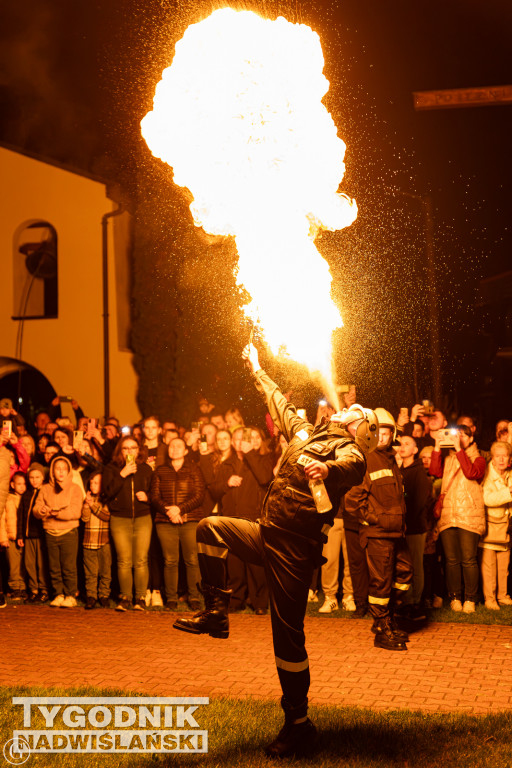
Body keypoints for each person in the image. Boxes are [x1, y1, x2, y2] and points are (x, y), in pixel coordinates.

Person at [174, 343, 376, 758]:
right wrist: (256, 368)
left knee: (287, 640)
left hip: (295, 550)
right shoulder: (305, 432)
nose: (342, 408)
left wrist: (327, 468)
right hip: (267, 533)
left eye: (352, 413)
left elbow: (354, 467)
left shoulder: (348, 449)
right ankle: (216, 613)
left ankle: (298, 724)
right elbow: (278, 400)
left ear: (358, 429)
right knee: (210, 528)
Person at [344, 408, 413, 651]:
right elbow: (352, 501)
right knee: (381, 584)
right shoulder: (365, 459)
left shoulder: (391, 459)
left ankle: (388, 618)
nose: (382, 437)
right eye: (378, 432)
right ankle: (382, 629)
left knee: (404, 574)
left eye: (387, 433)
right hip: (378, 534)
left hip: (397, 532)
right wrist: (375, 520)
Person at [430, 424, 486, 612]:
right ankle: (454, 597)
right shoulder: (448, 459)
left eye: (463, 435)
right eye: (456, 434)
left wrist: (459, 449)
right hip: (448, 514)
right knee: (451, 560)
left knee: (468, 559)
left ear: (471, 439)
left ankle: (470, 598)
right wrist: (437, 446)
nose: (458, 437)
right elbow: (434, 472)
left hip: (469, 515)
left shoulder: (479, 458)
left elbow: (472, 473)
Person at [150, 437, 206, 610]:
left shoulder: (193, 469)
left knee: (192, 560)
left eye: (179, 446)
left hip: (190, 520)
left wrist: (180, 509)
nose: (175, 449)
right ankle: (172, 598)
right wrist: (170, 511)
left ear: (186, 450)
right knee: (170, 561)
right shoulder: (160, 470)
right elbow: (154, 496)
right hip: (165, 522)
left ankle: (194, 598)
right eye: (172, 446)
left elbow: (199, 495)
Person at [102, 436, 153, 611]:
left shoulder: (146, 469)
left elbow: (155, 493)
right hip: (120, 518)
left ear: (139, 450)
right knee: (124, 560)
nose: (130, 451)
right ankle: (125, 597)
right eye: (125, 448)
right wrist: (122, 474)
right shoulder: (111, 468)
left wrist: (148, 498)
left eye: (133, 448)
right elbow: (106, 493)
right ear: (120, 451)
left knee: (140, 560)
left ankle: (140, 598)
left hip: (142, 518)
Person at [33, 456, 82, 607]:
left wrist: (55, 513)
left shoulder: (75, 488)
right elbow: (36, 508)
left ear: (68, 471)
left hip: (68, 532)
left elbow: (75, 512)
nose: (60, 471)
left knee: (68, 566)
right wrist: (41, 511)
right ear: (52, 471)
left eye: (64, 469)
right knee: (54, 566)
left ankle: (70, 595)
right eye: (57, 468)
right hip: (50, 532)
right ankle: (58, 593)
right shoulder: (45, 488)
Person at [397, 436, 433, 619]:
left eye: (407, 444)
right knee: (404, 565)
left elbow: (419, 502)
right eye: (401, 444)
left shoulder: (418, 472)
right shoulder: (399, 470)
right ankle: (406, 600)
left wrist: (406, 521)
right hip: (401, 527)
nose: (403, 447)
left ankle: (416, 602)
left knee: (416, 565)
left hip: (415, 527)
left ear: (415, 449)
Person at [479, 442, 512, 609]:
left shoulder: (510, 474)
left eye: (504, 455)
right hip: (490, 526)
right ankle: (490, 599)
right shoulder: (486, 475)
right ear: (492, 457)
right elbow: (486, 499)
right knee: (489, 567)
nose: (501, 459)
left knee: (503, 566)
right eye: (497, 455)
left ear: (509, 458)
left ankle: (503, 595)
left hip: (506, 528)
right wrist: (509, 493)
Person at [16, 463, 49, 602]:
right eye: (31, 477)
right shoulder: (26, 494)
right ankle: (33, 589)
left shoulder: (45, 492)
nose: (34, 480)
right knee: (29, 563)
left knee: (41, 564)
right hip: (28, 535)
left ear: (43, 477)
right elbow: (21, 516)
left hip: (41, 535)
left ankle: (44, 590)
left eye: (37, 477)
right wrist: (20, 535)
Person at [81, 472, 112, 609]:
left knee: (105, 571)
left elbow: (106, 516)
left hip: (104, 540)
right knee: (90, 572)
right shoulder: (87, 499)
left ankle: (104, 595)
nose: (93, 485)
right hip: (89, 540)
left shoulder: (106, 500)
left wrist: (92, 505)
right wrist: (87, 506)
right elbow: (84, 519)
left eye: (97, 483)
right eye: (92, 482)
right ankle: (91, 596)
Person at [4, 471, 27, 600]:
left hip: (23, 536)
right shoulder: (7, 498)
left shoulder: (27, 498)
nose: (22, 487)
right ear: (12, 484)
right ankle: (14, 587)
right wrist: (3, 538)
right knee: (13, 564)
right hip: (11, 536)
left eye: (24, 484)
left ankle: (22, 587)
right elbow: (2, 518)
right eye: (19, 484)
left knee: (22, 564)